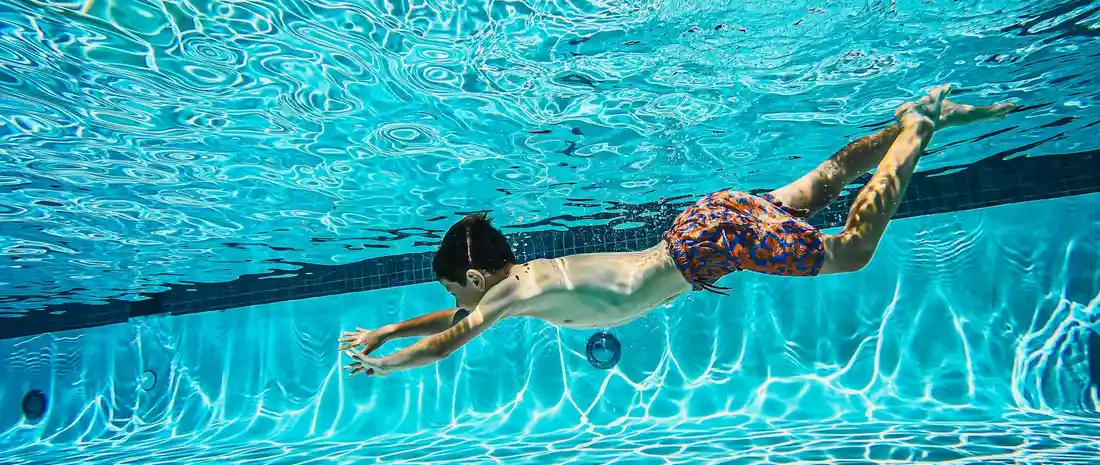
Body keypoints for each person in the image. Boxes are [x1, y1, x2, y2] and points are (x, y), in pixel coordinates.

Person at [340, 85, 1016, 376]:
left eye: (462, 291)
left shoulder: (512, 293)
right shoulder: (522, 282)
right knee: (825, 180)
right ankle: (912, 123)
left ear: (478, 277)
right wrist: (385, 328)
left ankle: (916, 129)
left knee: (853, 252)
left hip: (705, 246)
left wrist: (386, 362)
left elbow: (450, 340)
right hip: (699, 228)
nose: (464, 304)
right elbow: (451, 314)